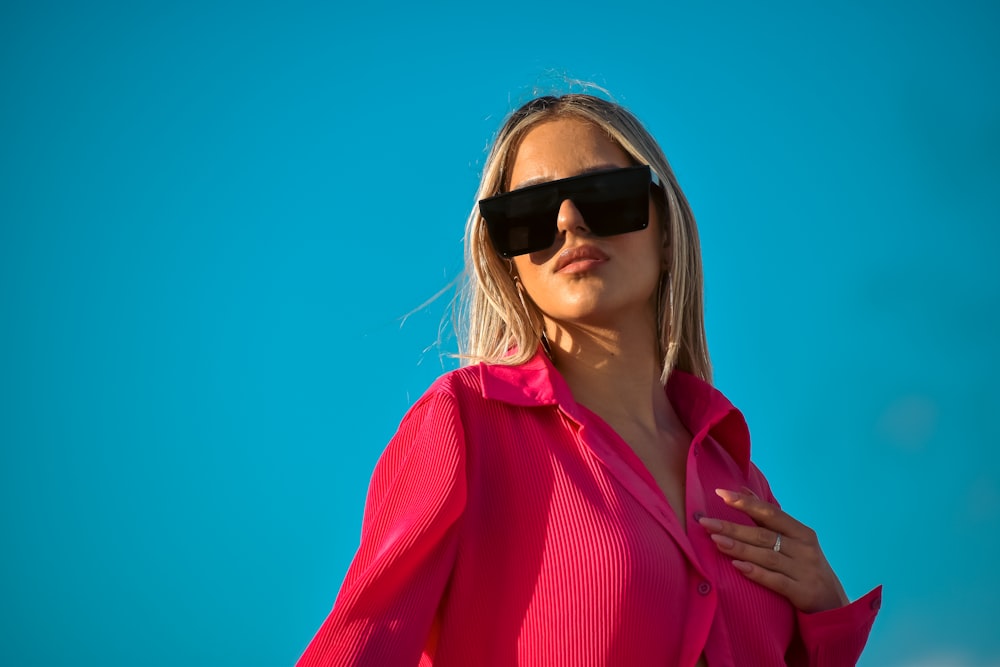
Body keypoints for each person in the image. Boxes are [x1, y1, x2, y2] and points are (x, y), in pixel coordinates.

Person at [296, 94, 881, 666]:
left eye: (604, 197)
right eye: (529, 215)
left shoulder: (741, 481)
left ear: (668, 231)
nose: (570, 222)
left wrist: (826, 615)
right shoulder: (464, 427)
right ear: (510, 265)